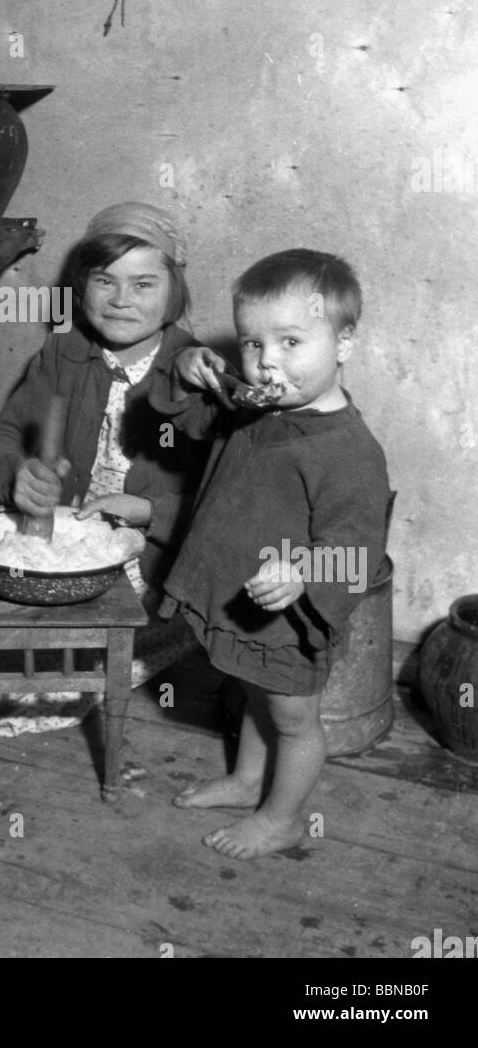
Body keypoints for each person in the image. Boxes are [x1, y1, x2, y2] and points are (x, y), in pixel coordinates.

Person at [150, 249, 391, 859]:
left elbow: (359, 553)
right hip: (237, 599)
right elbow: (182, 415)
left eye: (290, 341)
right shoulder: (253, 403)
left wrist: (304, 570)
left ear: (344, 344)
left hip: (286, 621)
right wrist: (184, 367)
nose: (266, 362)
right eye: (253, 344)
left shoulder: (349, 452)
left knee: (292, 718)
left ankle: (283, 817)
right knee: (250, 690)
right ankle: (247, 779)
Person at [0, 202, 209, 686]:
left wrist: (146, 511)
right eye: (105, 280)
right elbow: (2, 436)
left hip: (150, 566)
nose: (121, 299)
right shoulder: (64, 352)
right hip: (66, 547)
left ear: (174, 292)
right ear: (82, 287)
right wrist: (14, 473)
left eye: (144, 284)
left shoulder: (194, 375)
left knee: (52, 678)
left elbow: (221, 504)